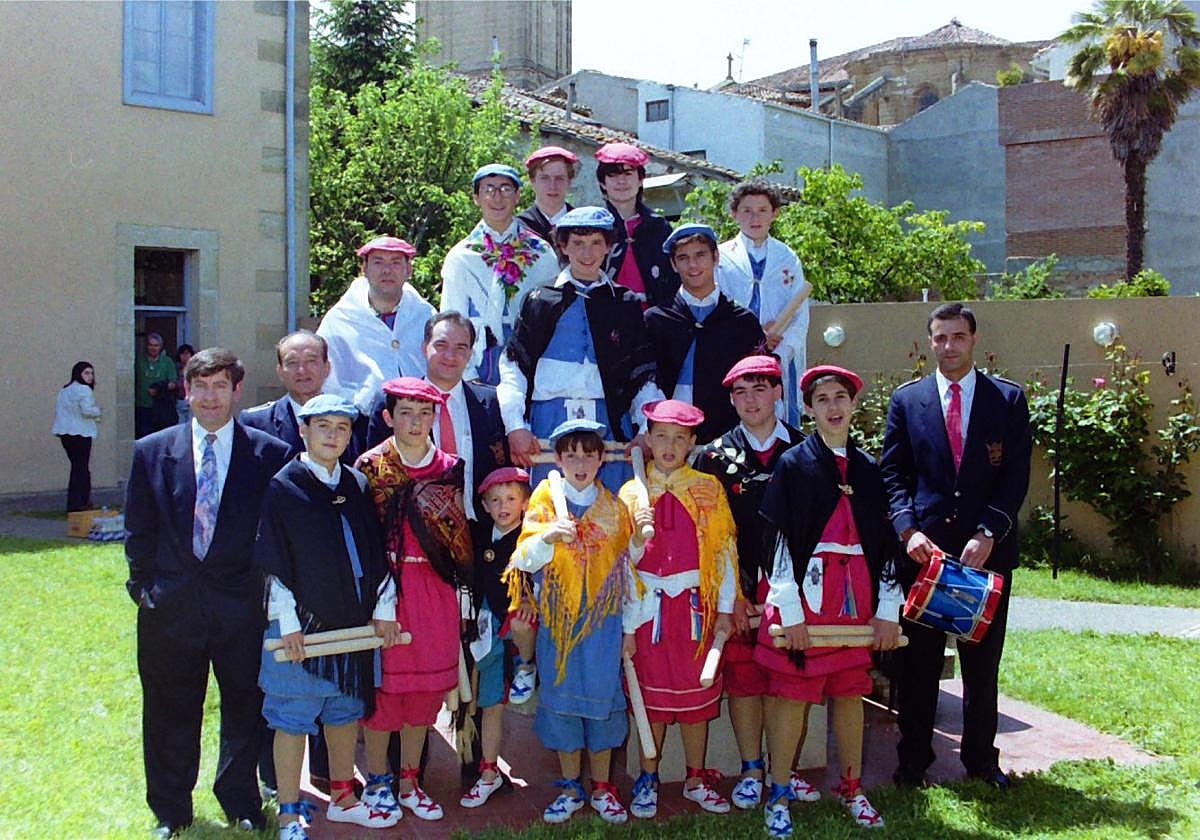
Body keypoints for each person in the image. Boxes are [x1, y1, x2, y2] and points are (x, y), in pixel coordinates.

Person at [124, 348, 291, 838]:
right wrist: (144, 587)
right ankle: (171, 810)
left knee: (244, 706)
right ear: (186, 389)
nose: (210, 397)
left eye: (220, 386)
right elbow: (139, 528)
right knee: (169, 709)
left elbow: (274, 533)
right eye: (201, 386)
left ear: (236, 391)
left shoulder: (269, 454)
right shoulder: (151, 451)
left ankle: (240, 799)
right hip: (170, 607)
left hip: (240, 604)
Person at [881, 303, 1032, 790]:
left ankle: (981, 760)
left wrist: (989, 532)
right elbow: (893, 474)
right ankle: (912, 763)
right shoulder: (908, 401)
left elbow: (1016, 477)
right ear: (931, 343)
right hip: (928, 558)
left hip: (985, 558)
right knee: (918, 667)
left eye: (958, 337)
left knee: (981, 667)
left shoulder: (1006, 400)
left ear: (974, 340)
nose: (949, 346)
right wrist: (909, 531)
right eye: (940, 338)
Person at [758, 365, 904, 835]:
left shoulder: (869, 470)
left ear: (854, 403)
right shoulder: (794, 465)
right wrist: (790, 611)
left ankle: (852, 786)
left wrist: (886, 611)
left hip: (854, 604)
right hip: (808, 601)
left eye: (841, 397)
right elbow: (778, 543)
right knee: (793, 696)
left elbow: (887, 547)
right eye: (823, 400)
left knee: (848, 693)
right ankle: (779, 791)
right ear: (808, 409)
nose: (834, 407)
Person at [254, 394, 403, 839]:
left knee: (344, 711)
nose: (333, 435)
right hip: (304, 627)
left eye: (342, 428)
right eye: (323, 426)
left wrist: (383, 606)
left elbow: (373, 550)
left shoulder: (356, 484)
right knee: (293, 717)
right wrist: (288, 622)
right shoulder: (284, 487)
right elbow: (273, 558)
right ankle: (288, 810)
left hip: (353, 623)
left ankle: (343, 797)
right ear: (304, 430)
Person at [508, 419, 641, 825]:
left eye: (588, 454)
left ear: (601, 459)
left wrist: (630, 631)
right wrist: (548, 537)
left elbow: (629, 576)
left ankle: (601, 786)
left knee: (602, 703)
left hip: (604, 624)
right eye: (571, 455)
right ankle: (570, 786)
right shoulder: (545, 503)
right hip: (559, 625)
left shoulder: (616, 510)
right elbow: (523, 560)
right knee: (563, 703)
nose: (579, 463)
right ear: (560, 459)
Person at [355, 376, 475, 822]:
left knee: (423, 694)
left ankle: (410, 782)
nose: (415, 421)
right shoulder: (370, 467)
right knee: (386, 693)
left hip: (436, 591)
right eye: (406, 412)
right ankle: (377, 782)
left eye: (425, 412)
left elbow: (457, 535)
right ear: (388, 417)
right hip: (389, 591)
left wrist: (464, 593)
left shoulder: (449, 466)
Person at [693, 355, 804, 812]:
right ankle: (751, 768)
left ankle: (784, 769)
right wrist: (728, 595)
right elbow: (706, 535)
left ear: (779, 391)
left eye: (759, 388)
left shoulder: (805, 451)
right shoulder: (713, 457)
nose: (750, 400)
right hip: (734, 589)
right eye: (739, 392)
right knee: (743, 678)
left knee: (787, 679)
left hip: (793, 590)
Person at [619, 400, 737, 819]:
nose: (669, 445)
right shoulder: (632, 492)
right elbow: (622, 562)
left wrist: (724, 608)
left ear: (692, 443)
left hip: (693, 609)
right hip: (647, 611)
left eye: (679, 437)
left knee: (696, 696)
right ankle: (648, 777)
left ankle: (695, 776)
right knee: (651, 698)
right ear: (648, 440)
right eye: (661, 436)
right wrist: (636, 536)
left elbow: (722, 551)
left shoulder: (707, 489)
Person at [498, 206, 663, 491]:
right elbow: (514, 367)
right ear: (562, 246)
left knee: (612, 517)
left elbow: (642, 374)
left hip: (609, 420)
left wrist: (646, 430)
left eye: (596, 243)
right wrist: (515, 426)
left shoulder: (624, 304)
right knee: (552, 514)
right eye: (577, 243)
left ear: (609, 246)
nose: (587, 254)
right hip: (548, 422)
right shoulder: (540, 299)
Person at [363, 312, 510, 520]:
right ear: (425, 348)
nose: (450, 356)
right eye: (441, 345)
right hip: (414, 534)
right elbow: (376, 474)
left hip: (479, 526)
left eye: (461, 348)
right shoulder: (393, 401)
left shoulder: (490, 402)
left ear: (470, 354)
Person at [459, 466, 538, 809]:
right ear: (485, 505)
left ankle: (527, 666)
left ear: (525, 502)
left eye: (510, 498)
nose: (503, 506)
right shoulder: (477, 536)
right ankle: (488, 773)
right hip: (487, 630)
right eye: (495, 500)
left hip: (525, 628)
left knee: (523, 622)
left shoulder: (533, 537)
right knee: (490, 703)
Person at [645, 223, 765, 444]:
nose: (693, 265)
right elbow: (644, 382)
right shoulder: (656, 320)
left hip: (727, 435)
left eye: (701, 255)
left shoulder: (742, 322)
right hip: (670, 438)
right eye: (683, 258)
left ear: (716, 257)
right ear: (673, 264)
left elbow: (762, 382)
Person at [440, 164, 560, 385]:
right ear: (476, 197)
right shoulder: (462, 256)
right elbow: (451, 318)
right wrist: (466, 374)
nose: (497, 197)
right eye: (489, 189)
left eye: (505, 189)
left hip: (533, 358)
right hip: (481, 359)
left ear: (517, 196)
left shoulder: (541, 252)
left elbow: (554, 313)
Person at [716, 179, 810, 426]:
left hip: (778, 356)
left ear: (775, 213)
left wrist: (779, 351)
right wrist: (751, 336)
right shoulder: (721, 257)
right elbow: (719, 308)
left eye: (762, 210)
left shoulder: (787, 258)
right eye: (747, 210)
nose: (754, 218)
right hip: (735, 356)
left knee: (781, 423)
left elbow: (800, 314)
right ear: (734, 214)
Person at [318, 236, 436, 414]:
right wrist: (362, 399)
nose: (387, 270)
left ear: (409, 270)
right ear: (364, 269)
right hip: (363, 420)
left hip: (421, 418)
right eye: (378, 262)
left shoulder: (427, 316)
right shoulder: (340, 319)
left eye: (396, 262)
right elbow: (325, 378)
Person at [241, 331, 368, 464]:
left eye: (311, 360)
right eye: (292, 363)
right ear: (280, 372)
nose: (302, 370)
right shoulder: (256, 423)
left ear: (327, 368)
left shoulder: (355, 420)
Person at [595, 142, 679, 308]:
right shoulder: (593, 226)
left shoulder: (659, 227)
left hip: (654, 319)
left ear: (641, 179)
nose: (621, 181)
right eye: (612, 175)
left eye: (628, 173)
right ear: (603, 183)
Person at [52, 361, 102, 512]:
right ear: (78, 373)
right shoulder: (84, 390)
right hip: (81, 432)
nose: (90, 376)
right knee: (81, 468)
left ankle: (76, 503)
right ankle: (80, 503)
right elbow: (86, 410)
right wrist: (97, 411)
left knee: (77, 467)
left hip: (65, 433)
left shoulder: (65, 390)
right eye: (86, 373)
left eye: (91, 373)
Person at [518, 145, 580, 253]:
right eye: (545, 178)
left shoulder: (581, 224)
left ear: (569, 181)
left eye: (559, 178)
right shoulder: (519, 226)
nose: (552, 186)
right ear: (533, 181)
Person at [135, 332, 179, 438]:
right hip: (143, 407)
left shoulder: (167, 362)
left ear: (161, 347)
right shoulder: (139, 361)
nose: (153, 348)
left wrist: (159, 388)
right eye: (150, 345)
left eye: (156, 345)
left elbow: (173, 383)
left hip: (161, 408)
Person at [175, 344, 195, 424]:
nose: (185, 356)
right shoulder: (176, 368)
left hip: (192, 399)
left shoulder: (195, 369)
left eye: (187, 353)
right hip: (179, 400)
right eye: (182, 354)